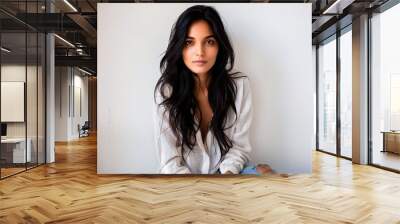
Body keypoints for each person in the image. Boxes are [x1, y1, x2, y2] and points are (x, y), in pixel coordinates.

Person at [153, 5, 271, 175]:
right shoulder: (166, 92)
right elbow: (169, 160)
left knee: (266, 171)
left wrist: (226, 179)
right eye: (189, 42)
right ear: (180, 47)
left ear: (219, 46)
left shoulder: (239, 86)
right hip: (181, 179)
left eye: (209, 42)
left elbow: (239, 147)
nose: (200, 52)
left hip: (225, 174)